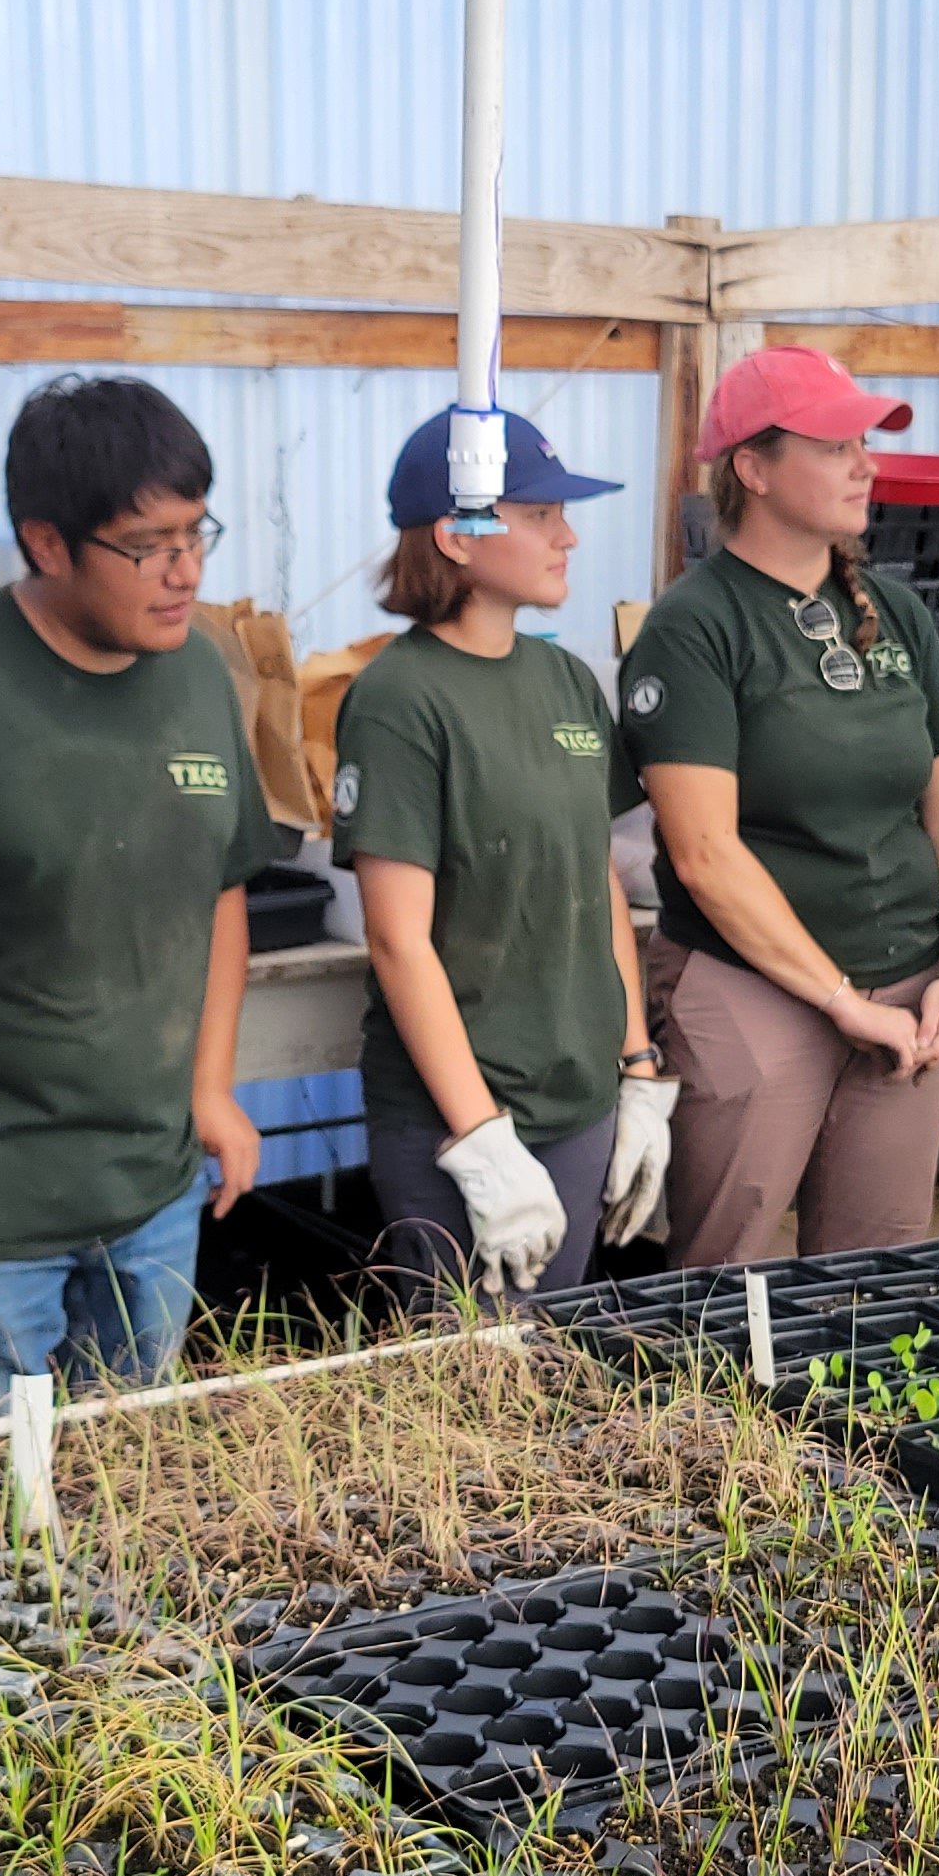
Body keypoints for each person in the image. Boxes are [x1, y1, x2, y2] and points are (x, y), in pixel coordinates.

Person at [0, 378, 292, 1404]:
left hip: (152, 1194)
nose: (185, 571)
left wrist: (208, 1088)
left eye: (197, 533)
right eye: (148, 545)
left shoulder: (197, 673)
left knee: (132, 1489)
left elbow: (221, 891)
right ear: (47, 543)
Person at [618, 346, 939, 1271]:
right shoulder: (696, 627)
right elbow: (703, 855)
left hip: (908, 992)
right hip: (754, 993)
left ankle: (850, 1427)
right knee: (720, 1273)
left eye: (865, 442)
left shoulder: (898, 616)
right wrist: (836, 1000)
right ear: (753, 467)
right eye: (834, 445)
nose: (867, 464)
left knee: (877, 1283)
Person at [335, 408, 674, 1298]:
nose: (567, 535)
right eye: (537, 515)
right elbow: (398, 941)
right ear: (456, 534)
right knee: (463, 1395)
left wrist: (636, 1067)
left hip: (579, 1102)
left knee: (552, 1367)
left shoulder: (565, 681)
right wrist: (482, 1138)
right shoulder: (399, 699)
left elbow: (594, 880)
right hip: (461, 1121)